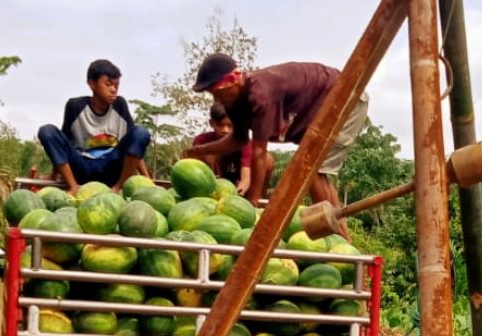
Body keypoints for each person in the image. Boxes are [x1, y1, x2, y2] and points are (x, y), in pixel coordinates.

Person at [182, 53, 368, 234]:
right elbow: (239, 140)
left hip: (346, 96)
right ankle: (343, 240)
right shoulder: (234, 102)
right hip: (327, 105)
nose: (217, 100)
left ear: (235, 79)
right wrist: (198, 151)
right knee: (316, 170)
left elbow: (259, 153)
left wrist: (253, 202)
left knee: (311, 168)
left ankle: (336, 239)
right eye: (212, 95)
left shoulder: (261, 95)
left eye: (219, 92)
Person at [37, 59, 151, 196]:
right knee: (47, 131)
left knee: (141, 133)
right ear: (91, 83)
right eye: (108, 85)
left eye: (116, 85)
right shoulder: (75, 107)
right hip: (82, 166)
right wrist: (53, 175)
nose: (113, 90)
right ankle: (74, 187)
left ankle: (118, 188)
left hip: (110, 167)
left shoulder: (120, 105)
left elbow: (135, 143)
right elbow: (62, 145)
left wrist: (148, 180)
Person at [191, 103, 274, 198]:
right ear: (212, 123)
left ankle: (255, 198)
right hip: (213, 186)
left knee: (267, 159)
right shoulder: (201, 141)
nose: (225, 130)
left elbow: (246, 178)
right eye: (220, 125)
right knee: (207, 153)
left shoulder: (244, 142)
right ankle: (209, 194)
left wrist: (237, 194)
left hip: (239, 187)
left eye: (230, 126)